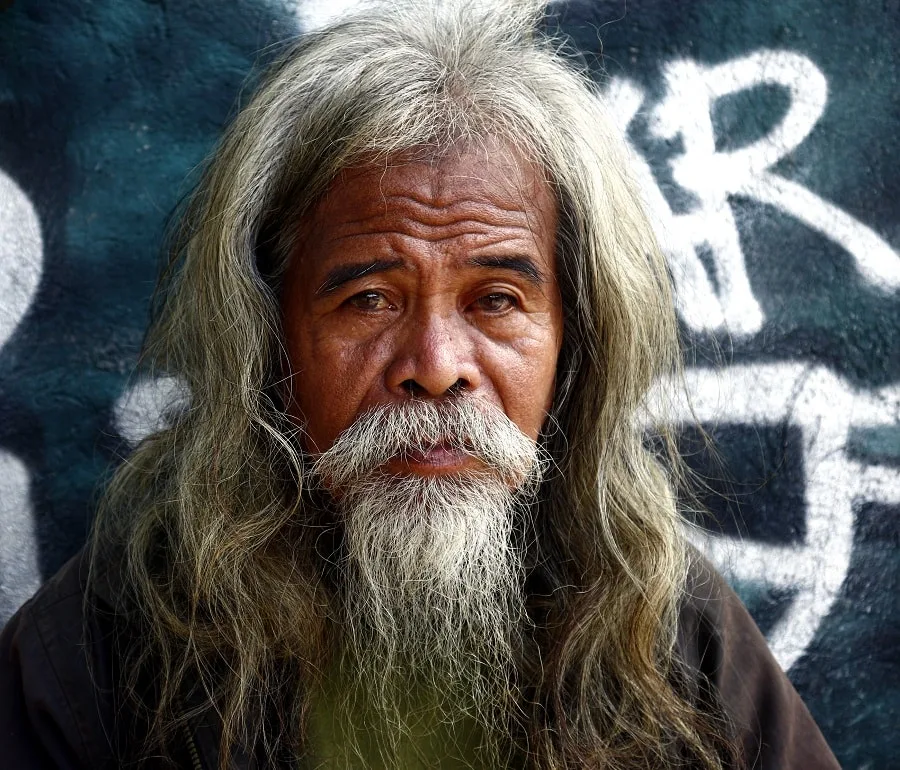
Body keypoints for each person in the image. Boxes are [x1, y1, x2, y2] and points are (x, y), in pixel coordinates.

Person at [0, 1, 840, 768]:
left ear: (574, 342)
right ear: (267, 334)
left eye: (498, 300)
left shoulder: (664, 628)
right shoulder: (106, 654)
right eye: (368, 299)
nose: (436, 365)